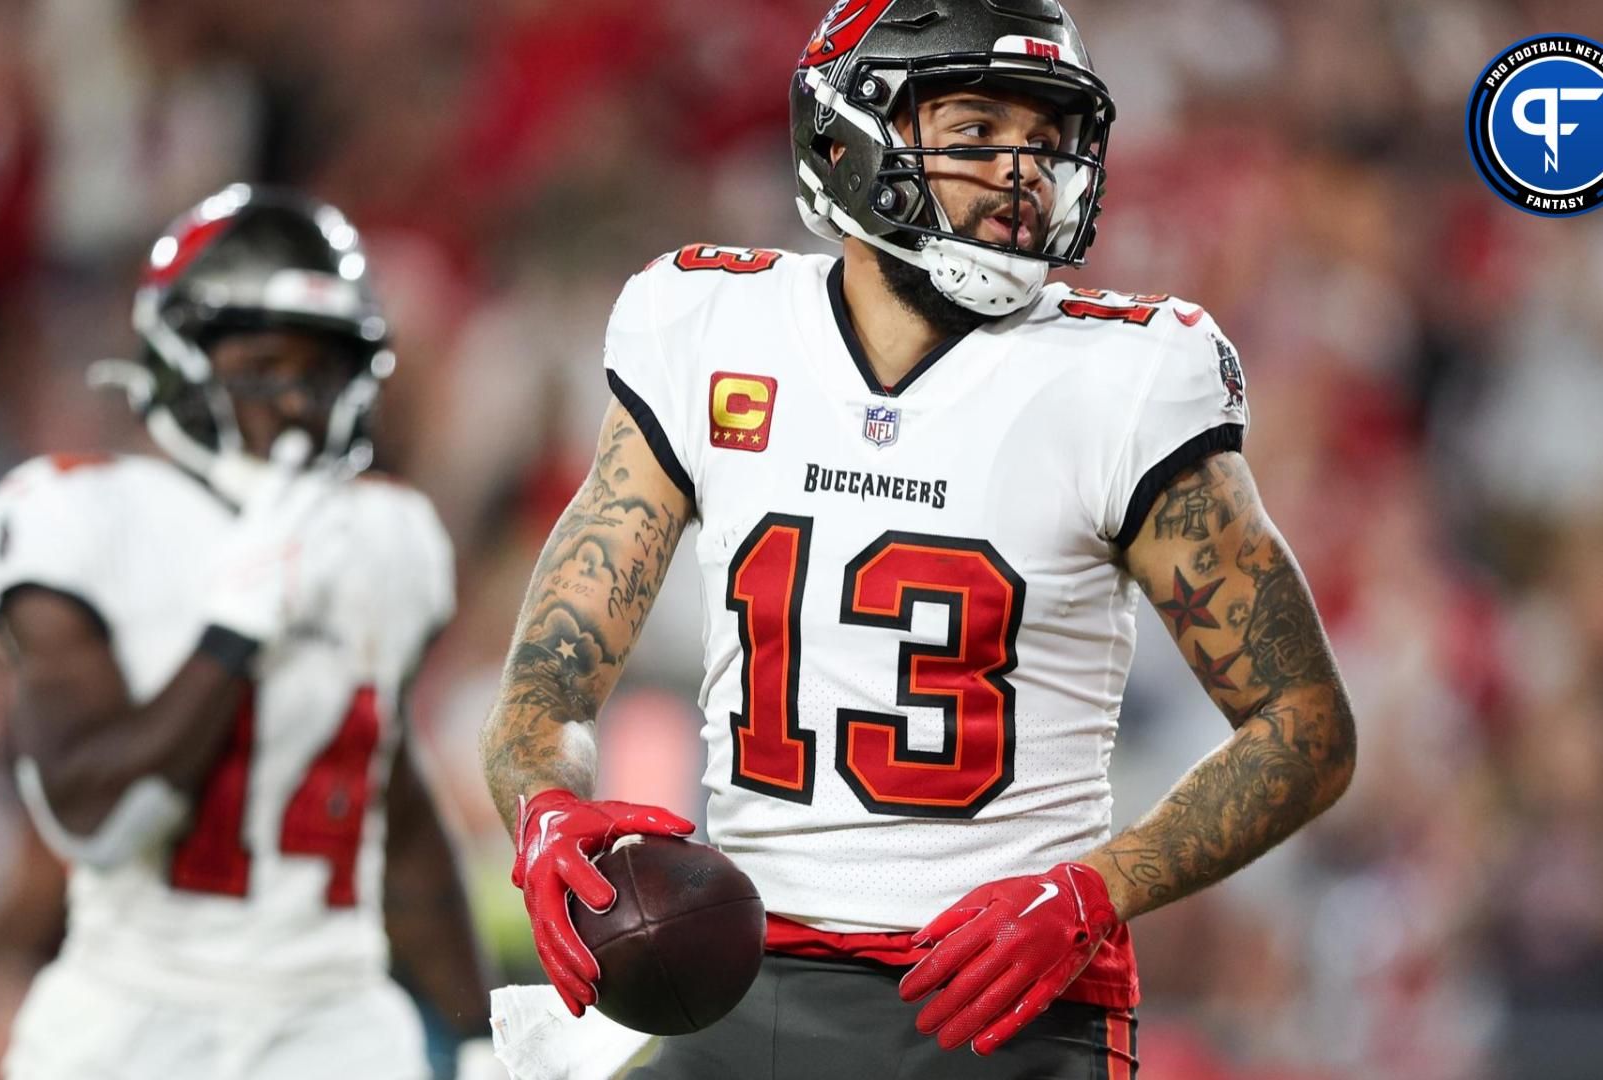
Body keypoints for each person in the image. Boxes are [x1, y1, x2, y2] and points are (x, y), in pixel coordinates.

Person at [481, 2, 1359, 1078]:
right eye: (978, 132)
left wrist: (1099, 888)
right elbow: (554, 669)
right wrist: (542, 805)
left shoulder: (1126, 379)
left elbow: (1306, 724)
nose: (1022, 172)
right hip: (745, 983)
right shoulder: (709, 329)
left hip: (1003, 998)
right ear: (850, 137)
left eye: (1044, 140)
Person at [0, 185, 492, 1080]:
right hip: (137, 1016)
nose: (294, 404)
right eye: (264, 367)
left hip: (334, 1023)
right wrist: (232, 632)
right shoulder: (78, 519)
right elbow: (98, 817)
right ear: (182, 356)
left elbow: (392, 814)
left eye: (319, 371)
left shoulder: (383, 538)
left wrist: (483, 1034)